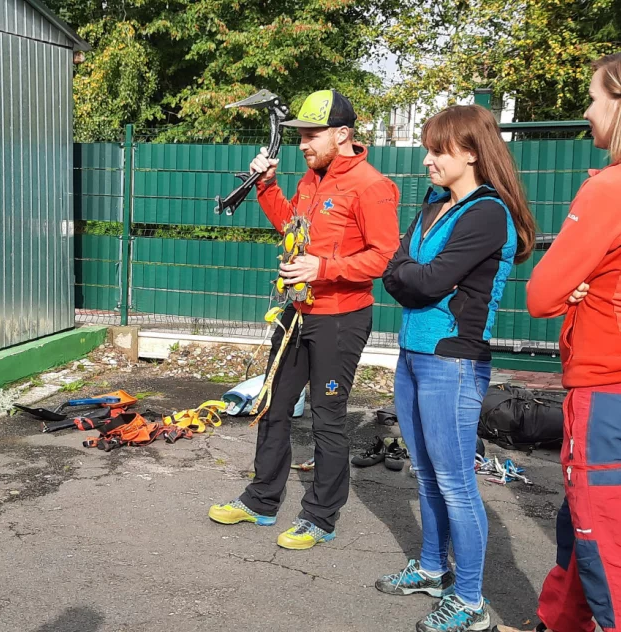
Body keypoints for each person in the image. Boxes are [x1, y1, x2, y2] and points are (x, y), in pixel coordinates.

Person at [208, 89, 401, 548]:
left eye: (312, 134)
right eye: (300, 135)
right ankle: (261, 500)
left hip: (341, 319)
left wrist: (325, 268)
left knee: (327, 418)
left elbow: (386, 258)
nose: (303, 144)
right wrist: (266, 185)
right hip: (296, 312)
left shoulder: (372, 186)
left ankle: (321, 516)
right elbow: (291, 226)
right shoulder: (312, 180)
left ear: (342, 134)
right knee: (273, 406)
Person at [378, 104, 536, 632]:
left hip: (454, 362)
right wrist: (410, 274)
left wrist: (411, 275)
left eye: (436, 150)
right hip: (412, 355)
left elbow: (420, 280)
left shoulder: (488, 213)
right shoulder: (434, 203)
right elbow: (397, 270)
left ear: (469, 152)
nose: (426, 160)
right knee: (425, 473)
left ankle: (469, 602)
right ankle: (430, 568)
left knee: (455, 481)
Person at [516, 52, 621, 632]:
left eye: (594, 97)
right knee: (577, 523)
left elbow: (541, 294)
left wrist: (576, 281)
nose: (586, 112)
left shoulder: (608, 188)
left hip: (605, 386)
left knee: (597, 527)